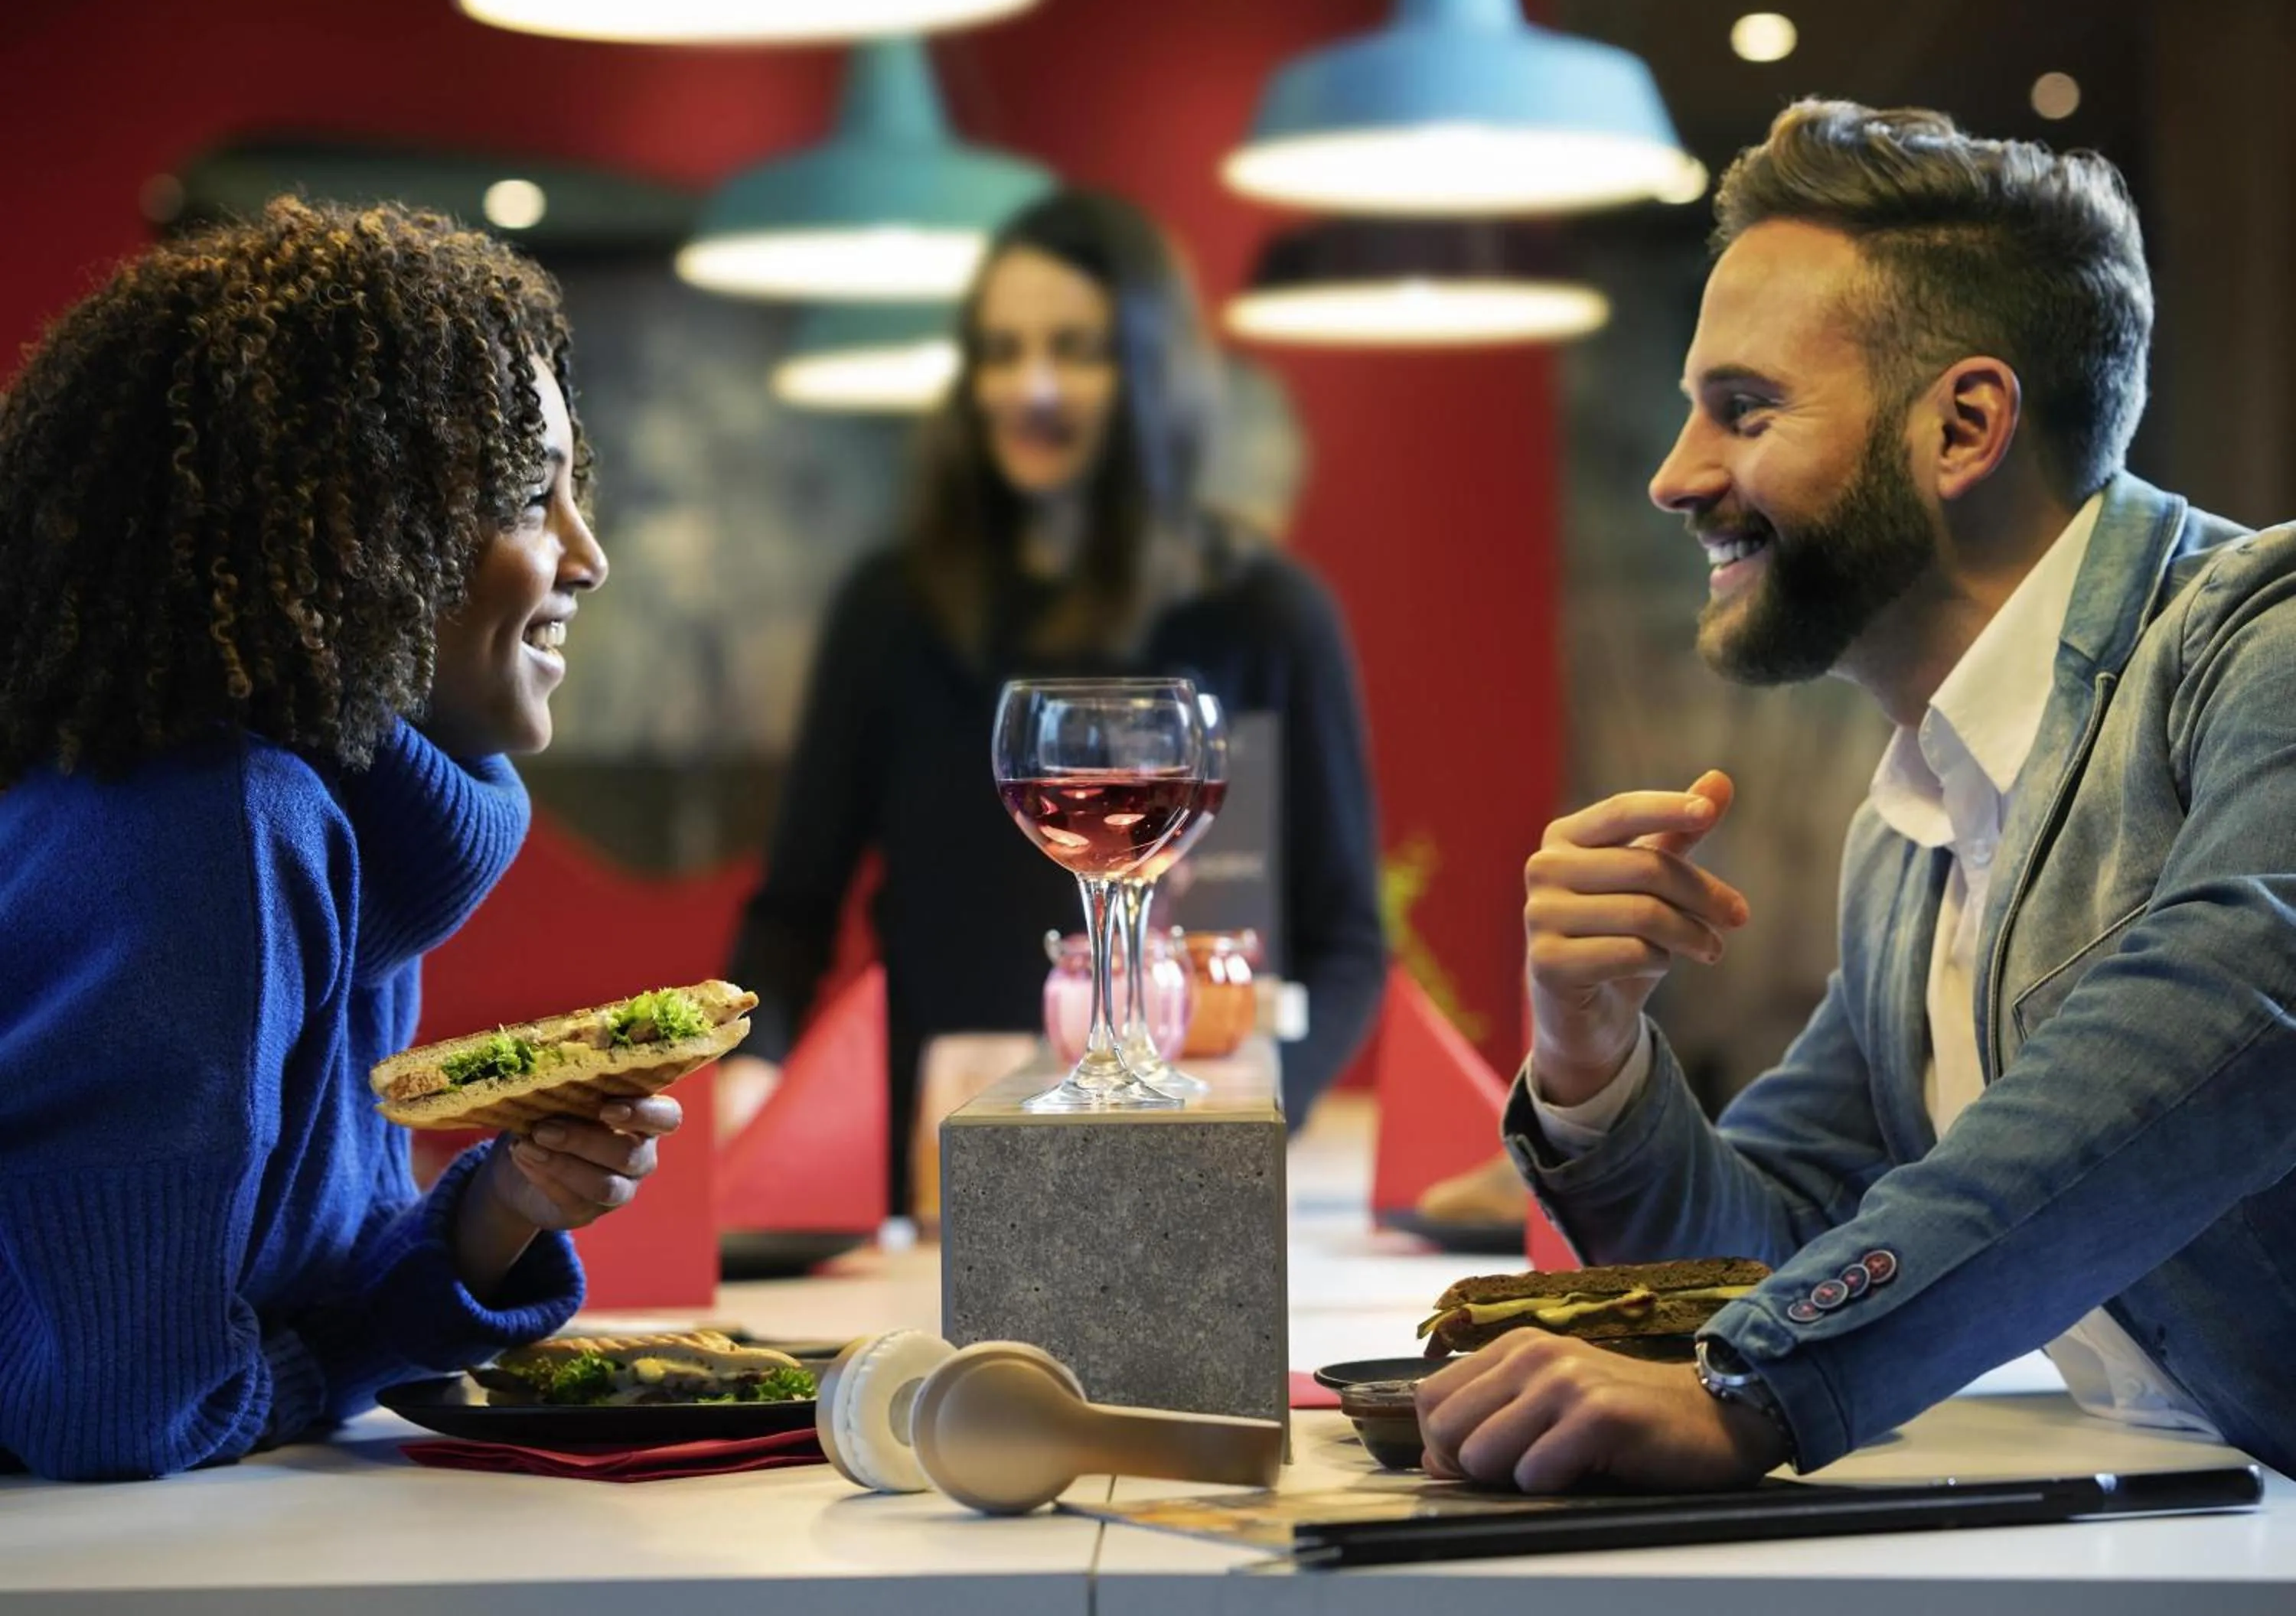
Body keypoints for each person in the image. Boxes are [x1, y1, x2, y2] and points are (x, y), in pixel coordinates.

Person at [1419, 100, 2296, 1491]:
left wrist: (1765, 1386)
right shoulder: (1911, 830)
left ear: (1964, 426)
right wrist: (1593, 1059)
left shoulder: (2266, 640)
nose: (1675, 476)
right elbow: (1767, 1261)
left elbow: (2234, 1020)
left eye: (1744, 409)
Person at [0, 198, 673, 1481]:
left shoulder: (341, 812)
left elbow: (287, 1298)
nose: (587, 555)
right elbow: (118, 1411)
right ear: (350, 531)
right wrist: (312, 1373)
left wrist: (504, 1206)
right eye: (526, 497)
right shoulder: (212, 824)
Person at [720, 190, 1387, 1207]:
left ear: (1152, 369)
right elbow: (791, 912)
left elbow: (1347, 943)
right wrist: (753, 1073)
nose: (1029, 387)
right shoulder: (891, 610)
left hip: (1182, 1166)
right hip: (938, 1170)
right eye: (1001, 352)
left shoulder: (1271, 614)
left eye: (1075, 350)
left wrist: (1241, 1120)